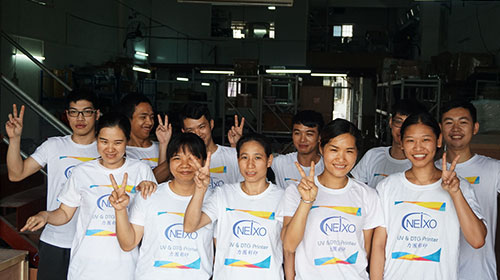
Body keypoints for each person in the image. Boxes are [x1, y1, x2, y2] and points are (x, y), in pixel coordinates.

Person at [20, 112, 157, 280]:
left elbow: (153, 221)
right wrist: (45, 215)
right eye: (104, 141)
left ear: (127, 141)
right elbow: (64, 213)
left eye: (118, 142)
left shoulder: (141, 171)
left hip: (126, 268)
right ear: (97, 139)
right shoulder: (82, 172)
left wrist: (151, 190)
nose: (110, 149)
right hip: (85, 267)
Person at [370, 111, 487, 280]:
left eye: (425, 140)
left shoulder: (459, 186)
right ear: (401, 143)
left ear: (438, 141)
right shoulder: (387, 187)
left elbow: (477, 240)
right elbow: (379, 245)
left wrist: (455, 193)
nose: (418, 148)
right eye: (410, 140)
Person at [5, 90, 100, 280]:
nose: (79, 118)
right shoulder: (54, 146)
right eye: (74, 112)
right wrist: (14, 140)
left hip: (93, 241)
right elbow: (16, 174)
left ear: (97, 114)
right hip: (55, 239)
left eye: (86, 112)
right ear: (67, 115)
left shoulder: (108, 149)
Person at [282, 119, 384, 280]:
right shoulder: (295, 191)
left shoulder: (367, 195)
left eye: (349, 151)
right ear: (321, 148)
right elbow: (288, 246)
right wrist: (306, 201)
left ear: (357, 153)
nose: (341, 159)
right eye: (334, 150)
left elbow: (368, 251)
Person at [109, 133, 214, 280]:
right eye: (177, 158)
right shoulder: (149, 195)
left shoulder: (215, 200)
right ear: (168, 162)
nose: (185, 165)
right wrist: (119, 210)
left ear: (204, 161)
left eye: (192, 158)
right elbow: (128, 244)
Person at [183, 133, 284, 279]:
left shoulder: (282, 197)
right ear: (237, 160)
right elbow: (189, 226)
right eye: (244, 157)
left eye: (257, 157)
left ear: (269, 161)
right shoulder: (223, 194)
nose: (250, 165)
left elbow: (290, 246)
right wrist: (200, 189)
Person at [436, 100, 500, 280]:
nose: (456, 128)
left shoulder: (493, 169)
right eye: (449, 123)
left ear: (475, 128)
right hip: (438, 272)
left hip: (479, 272)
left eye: (463, 122)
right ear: (440, 128)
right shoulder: (430, 172)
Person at [351, 99, 427, 188]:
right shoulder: (373, 156)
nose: (402, 129)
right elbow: (354, 190)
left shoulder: (421, 163)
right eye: (399, 122)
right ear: (391, 122)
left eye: (409, 124)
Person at [180, 103, 242, 190]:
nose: (197, 134)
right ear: (184, 132)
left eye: (201, 127)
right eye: (190, 130)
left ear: (211, 124)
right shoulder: (181, 163)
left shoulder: (232, 156)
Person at [119, 94, 171, 182]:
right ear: (128, 120)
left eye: (151, 117)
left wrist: (163, 144)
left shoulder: (163, 146)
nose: (150, 122)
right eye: (143, 117)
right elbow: (147, 182)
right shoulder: (122, 153)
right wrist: (176, 157)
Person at [272, 110, 325, 189]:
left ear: (319, 137)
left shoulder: (327, 166)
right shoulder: (280, 163)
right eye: (297, 133)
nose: (302, 140)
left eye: (309, 134)